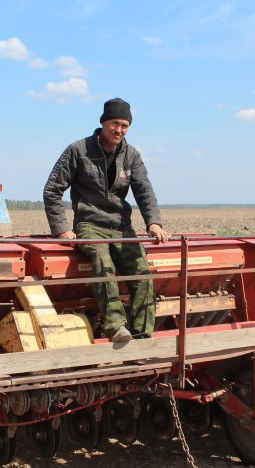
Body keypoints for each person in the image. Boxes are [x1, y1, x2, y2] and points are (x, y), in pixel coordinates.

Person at [43, 98, 170, 343]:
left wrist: (154, 223)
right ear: (103, 123)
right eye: (115, 123)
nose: (119, 130)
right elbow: (52, 190)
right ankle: (115, 327)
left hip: (122, 227)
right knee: (103, 262)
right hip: (90, 225)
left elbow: (144, 190)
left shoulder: (131, 155)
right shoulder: (78, 151)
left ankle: (143, 336)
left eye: (125, 125)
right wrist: (61, 230)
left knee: (142, 271)